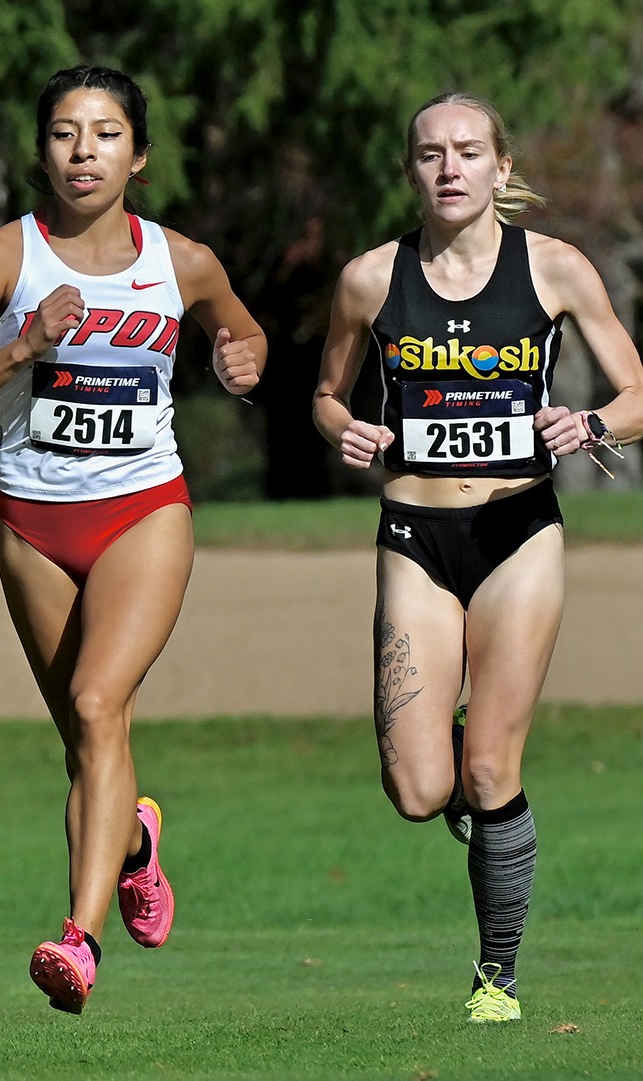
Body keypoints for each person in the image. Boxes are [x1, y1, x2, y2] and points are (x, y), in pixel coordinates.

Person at [0, 65, 264, 1014]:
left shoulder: (182, 262)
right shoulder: (6, 257)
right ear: (42, 151)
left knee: (99, 700)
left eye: (107, 134)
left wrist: (241, 359)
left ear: (138, 156)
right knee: (86, 738)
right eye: (66, 133)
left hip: (144, 508)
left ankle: (80, 941)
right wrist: (22, 349)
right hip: (32, 520)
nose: (84, 151)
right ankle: (136, 844)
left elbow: (245, 335)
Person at [313, 91, 642, 1023]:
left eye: (467, 151)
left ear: (502, 167)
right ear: (411, 171)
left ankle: (497, 978)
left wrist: (590, 423)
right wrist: (345, 428)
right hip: (414, 537)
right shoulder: (369, 279)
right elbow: (326, 394)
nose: (449, 167)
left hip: (517, 532)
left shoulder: (556, 268)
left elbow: (637, 394)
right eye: (431, 153)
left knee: (493, 770)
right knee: (420, 790)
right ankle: (458, 757)